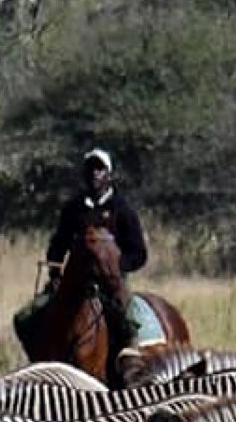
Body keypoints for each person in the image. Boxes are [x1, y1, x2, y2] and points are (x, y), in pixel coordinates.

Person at [31, 147, 156, 346]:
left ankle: (130, 362)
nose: (94, 174)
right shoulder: (73, 208)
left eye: (100, 169)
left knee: (128, 322)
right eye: (90, 168)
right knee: (29, 316)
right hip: (74, 280)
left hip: (110, 285)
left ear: (109, 174)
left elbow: (138, 252)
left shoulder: (122, 209)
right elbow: (58, 243)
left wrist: (115, 268)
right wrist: (55, 272)